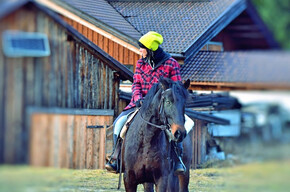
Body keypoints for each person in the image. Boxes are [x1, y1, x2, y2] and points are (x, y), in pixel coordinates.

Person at [105, 31, 194, 175]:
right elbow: (136, 84)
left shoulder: (171, 63)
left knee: (183, 126)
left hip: (164, 106)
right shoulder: (140, 63)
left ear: (150, 49)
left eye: (142, 48)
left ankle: (178, 159)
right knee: (118, 124)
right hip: (140, 104)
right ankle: (116, 159)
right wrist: (138, 98)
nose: (140, 50)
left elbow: (177, 89)